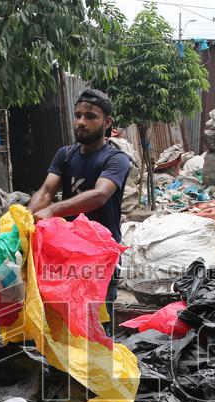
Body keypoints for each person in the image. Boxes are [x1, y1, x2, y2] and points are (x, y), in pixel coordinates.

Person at [28, 88, 131, 329]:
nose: (81, 122)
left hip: (101, 257)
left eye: (90, 116)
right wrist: (27, 217)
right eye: (78, 115)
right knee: (63, 322)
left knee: (96, 326)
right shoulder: (65, 155)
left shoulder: (116, 159)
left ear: (107, 122)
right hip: (66, 254)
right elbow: (46, 192)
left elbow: (99, 195)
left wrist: (52, 211)